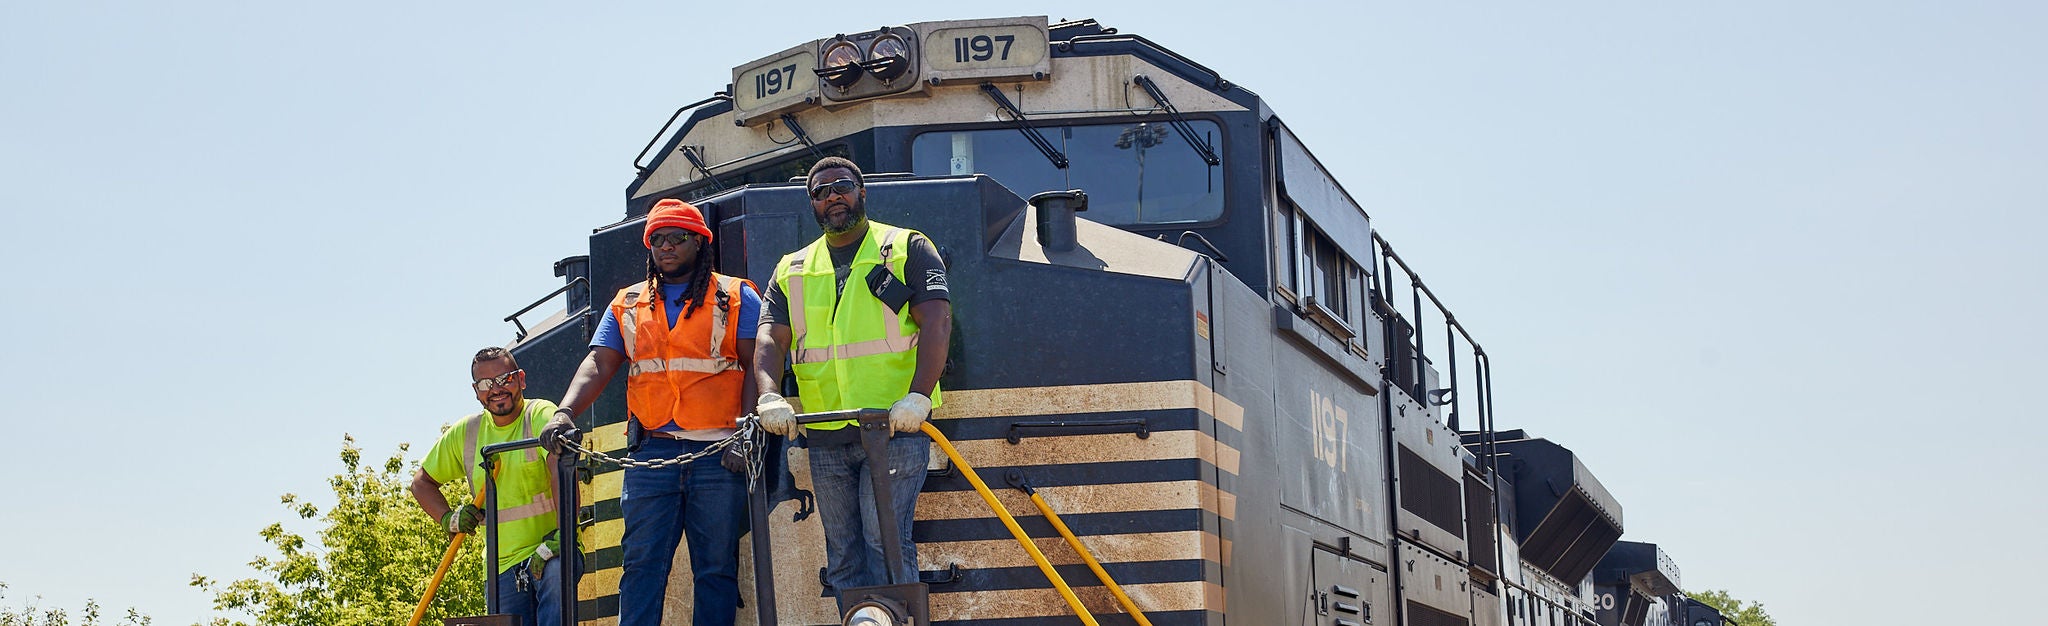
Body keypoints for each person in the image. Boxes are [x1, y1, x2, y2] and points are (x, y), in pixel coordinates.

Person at [539, 198, 759, 626]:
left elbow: (757, 364)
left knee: (716, 572)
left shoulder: (736, 296)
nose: (667, 245)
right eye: (657, 239)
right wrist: (565, 412)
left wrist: (745, 430)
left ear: (701, 242)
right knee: (640, 570)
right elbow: (600, 362)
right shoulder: (627, 303)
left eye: (677, 237)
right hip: (650, 458)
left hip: (719, 457)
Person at [753, 156, 953, 596]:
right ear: (813, 204)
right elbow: (770, 338)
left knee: (885, 542)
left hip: (893, 428)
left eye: (841, 186)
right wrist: (769, 396)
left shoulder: (907, 247)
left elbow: (937, 323)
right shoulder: (792, 268)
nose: (832, 197)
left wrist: (918, 397)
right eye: (821, 192)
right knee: (842, 553)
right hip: (825, 432)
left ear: (862, 192)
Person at [411, 347, 570, 626]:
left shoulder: (540, 414)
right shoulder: (468, 432)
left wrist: (563, 533)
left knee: (555, 575)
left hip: (552, 547)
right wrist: (449, 518)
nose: (496, 389)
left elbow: (559, 468)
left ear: (521, 379)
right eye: (486, 384)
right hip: (501, 566)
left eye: (504, 379)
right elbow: (421, 484)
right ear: (476, 391)